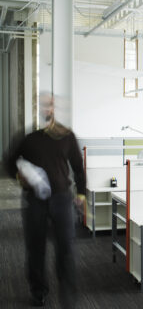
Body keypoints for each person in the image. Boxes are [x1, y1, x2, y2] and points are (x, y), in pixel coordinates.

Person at [5, 95, 86, 307]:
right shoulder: (29, 138)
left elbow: (78, 168)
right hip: (34, 201)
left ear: (54, 108)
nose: (46, 108)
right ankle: (38, 291)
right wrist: (18, 176)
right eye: (41, 104)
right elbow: (9, 161)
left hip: (61, 199)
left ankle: (68, 295)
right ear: (37, 108)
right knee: (35, 248)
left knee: (65, 248)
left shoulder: (67, 136)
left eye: (49, 104)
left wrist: (81, 194)